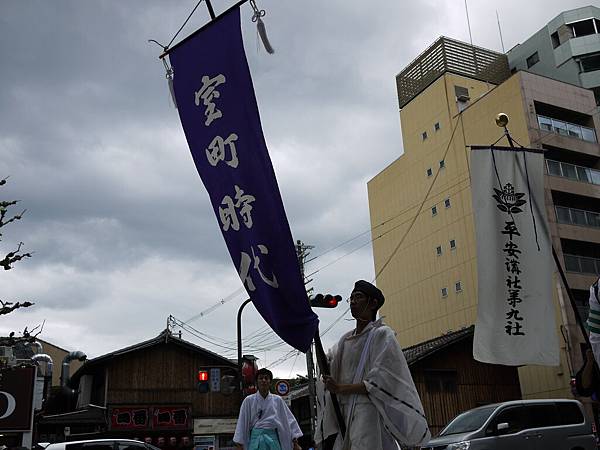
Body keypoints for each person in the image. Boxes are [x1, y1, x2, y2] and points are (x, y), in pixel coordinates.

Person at [318, 280, 430, 449]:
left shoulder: (382, 335)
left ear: (373, 303)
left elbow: (378, 382)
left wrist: (340, 388)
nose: (353, 302)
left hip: (368, 412)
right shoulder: (344, 340)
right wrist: (313, 332)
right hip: (345, 412)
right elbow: (327, 368)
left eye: (359, 297)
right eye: (352, 298)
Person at [233, 368, 302, 450]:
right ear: (257, 382)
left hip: (273, 440)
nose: (263, 380)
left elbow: (288, 420)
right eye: (261, 378)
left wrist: (295, 441)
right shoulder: (248, 400)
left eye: (266, 378)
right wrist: (239, 444)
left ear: (270, 382)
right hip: (255, 441)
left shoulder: (278, 400)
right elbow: (242, 422)